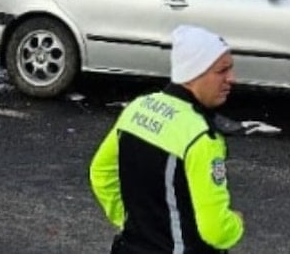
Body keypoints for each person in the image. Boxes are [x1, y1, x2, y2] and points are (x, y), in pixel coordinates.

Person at [90, 25, 245, 253]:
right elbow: (215, 229)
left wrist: (132, 222)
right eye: (222, 71)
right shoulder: (201, 136)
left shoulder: (138, 107)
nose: (232, 78)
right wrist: (235, 224)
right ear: (194, 73)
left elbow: (101, 173)